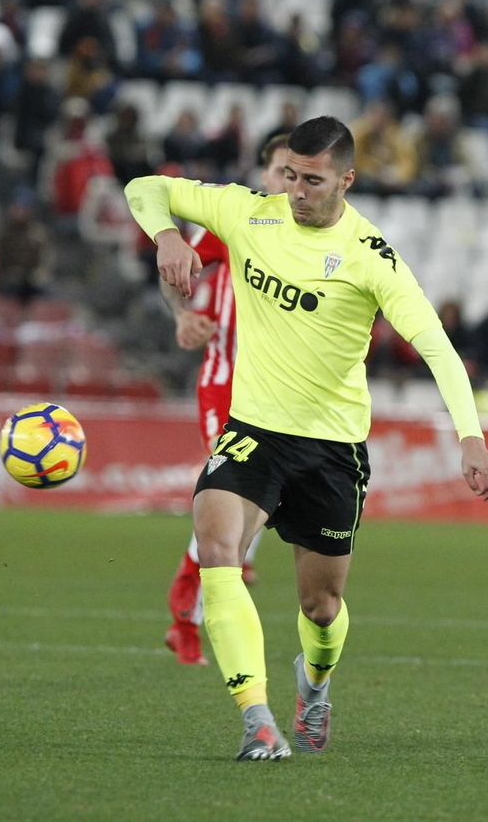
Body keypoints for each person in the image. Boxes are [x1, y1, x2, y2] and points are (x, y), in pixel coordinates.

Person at [124, 116, 488, 761]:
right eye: (290, 175)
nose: (296, 190)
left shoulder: (370, 255)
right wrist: (167, 238)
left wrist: (472, 438)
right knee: (219, 548)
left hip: (332, 448)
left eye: (313, 180)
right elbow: (143, 186)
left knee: (321, 607)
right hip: (252, 431)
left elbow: (434, 344)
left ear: (346, 180)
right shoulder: (248, 213)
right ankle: (256, 720)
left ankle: (314, 689)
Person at [161, 134, 292, 666]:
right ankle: (186, 617)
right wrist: (181, 314)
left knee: (260, 505)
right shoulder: (237, 222)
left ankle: (228, 567)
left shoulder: (324, 239)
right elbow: (177, 271)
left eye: (303, 175)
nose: (291, 184)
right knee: (234, 495)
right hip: (227, 385)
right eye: (282, 171)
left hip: (283, 396)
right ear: (264, 175)